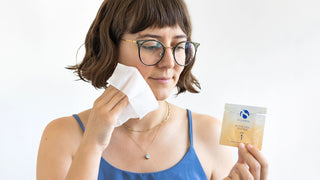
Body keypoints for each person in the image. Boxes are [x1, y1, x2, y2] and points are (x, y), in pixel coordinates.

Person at [36, 0, 268, 179]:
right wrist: (93, 145)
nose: (169, 62)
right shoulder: (62, 136)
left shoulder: (209, 135)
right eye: (150, 45)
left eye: (179, 46)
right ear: (111, 46)